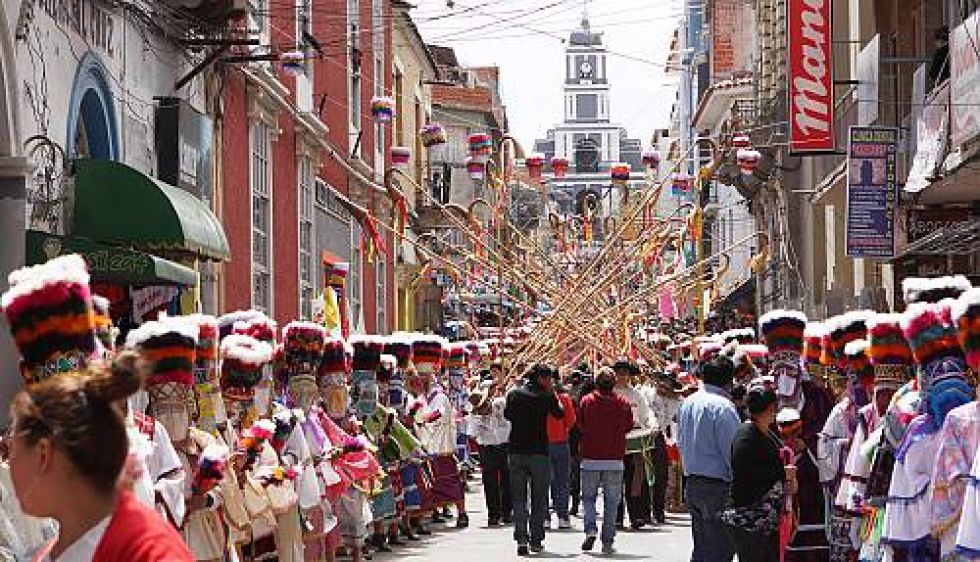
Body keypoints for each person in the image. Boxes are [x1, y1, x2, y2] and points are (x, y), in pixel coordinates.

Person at [6, 352, 193, 561]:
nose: (8, 464)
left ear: (43, 455)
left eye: (12, 451)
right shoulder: (55, 552)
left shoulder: (146, 552)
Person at [677, 354, 741, 562]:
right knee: (719, 549)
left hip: (694, 482)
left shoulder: (688, 403)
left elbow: (681, 441)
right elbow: (732, 451)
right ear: (728, 380)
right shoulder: (722, 407)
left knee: (702, 546)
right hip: (718, 486)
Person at [725, 385, 792, 562]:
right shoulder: (746, 437)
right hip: (751, 517)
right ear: (770, 409)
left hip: (765, 518)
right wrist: (781, 473)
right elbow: (746, 474)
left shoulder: (765, 432)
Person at [505, 363, 566, 556]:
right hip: (539, 453)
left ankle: (521, 539)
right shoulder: (547, 396)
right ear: (541, 378)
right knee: (539, 499)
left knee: (519, 499)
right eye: (548, 379)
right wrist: (553, 394)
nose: (550, 382)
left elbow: (507, 415)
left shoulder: (515, 394)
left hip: (516, 451)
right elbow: (560, 414)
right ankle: (536, 539)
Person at [577, 367, 634, 555]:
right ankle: (607, 540)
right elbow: (628, 426)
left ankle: (591, 529)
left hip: (590, 457)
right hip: (614, 458)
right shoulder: (623, 403)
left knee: (588, 498)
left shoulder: (586, 401)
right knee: (612, 501)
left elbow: (580, 424)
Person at [613, 360, 658, 530]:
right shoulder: (610, 393)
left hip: (635, 442)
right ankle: (616, 516)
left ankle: (636, 515)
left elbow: (647, 414)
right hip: (615, 442)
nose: (622, 376)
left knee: (635, 481)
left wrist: (653, 425)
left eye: (625, 373)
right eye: (619, 373)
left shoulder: (637, 395)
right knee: (615, 480)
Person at [467, 377, 513, 526]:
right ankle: (493, 514)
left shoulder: (501, 404)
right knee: (490, 482)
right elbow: (472, 434)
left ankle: (507, 512)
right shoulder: (475, 415)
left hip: (505, 446)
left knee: (508, 481)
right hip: (487, 449)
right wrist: (481, 419)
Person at [546, 375, 576, 529]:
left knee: (543, 481)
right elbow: (571, 422)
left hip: (542, 444)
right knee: (562, 481)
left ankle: (545, 516)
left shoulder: (537, 398)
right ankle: (563, 515)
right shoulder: (564, 398)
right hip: (561, 442)